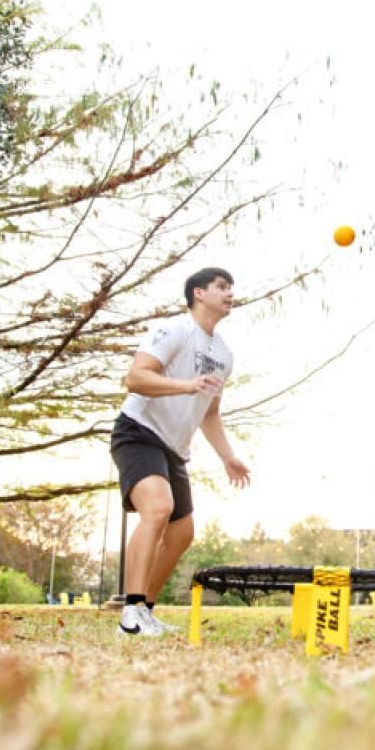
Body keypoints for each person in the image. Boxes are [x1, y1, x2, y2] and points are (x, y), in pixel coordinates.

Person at [110, 267, 251, 636]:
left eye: (231, 286)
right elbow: (136, 378)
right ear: (198, 294)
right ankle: (130, 614)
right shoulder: (174, 330)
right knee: (157, 509)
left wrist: (227, 456)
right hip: (138, 431)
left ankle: (147, 611)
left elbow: (211, 412)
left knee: (181, 533)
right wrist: (185, 385)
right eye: (221, 286)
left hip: (174, 448)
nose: (229, 292)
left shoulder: (224, 354)